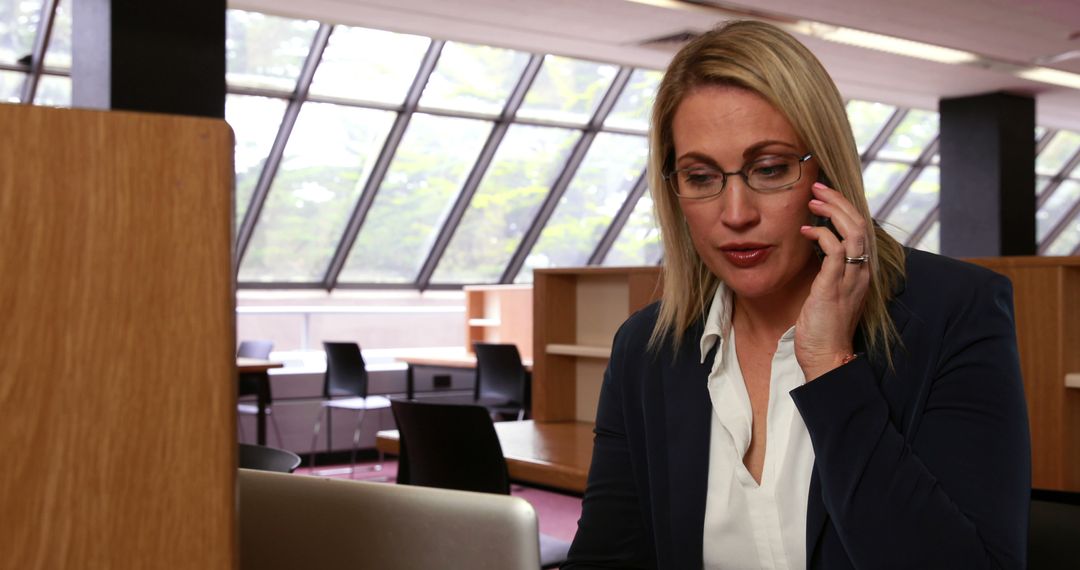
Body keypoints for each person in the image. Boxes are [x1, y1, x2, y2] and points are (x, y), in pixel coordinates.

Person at [564, 19, 1030, 569]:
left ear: (825, 170)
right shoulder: (646, 348)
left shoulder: (954, 312)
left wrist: (831, 368)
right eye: (701, 176)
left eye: (769, 169)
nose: (736, 214)